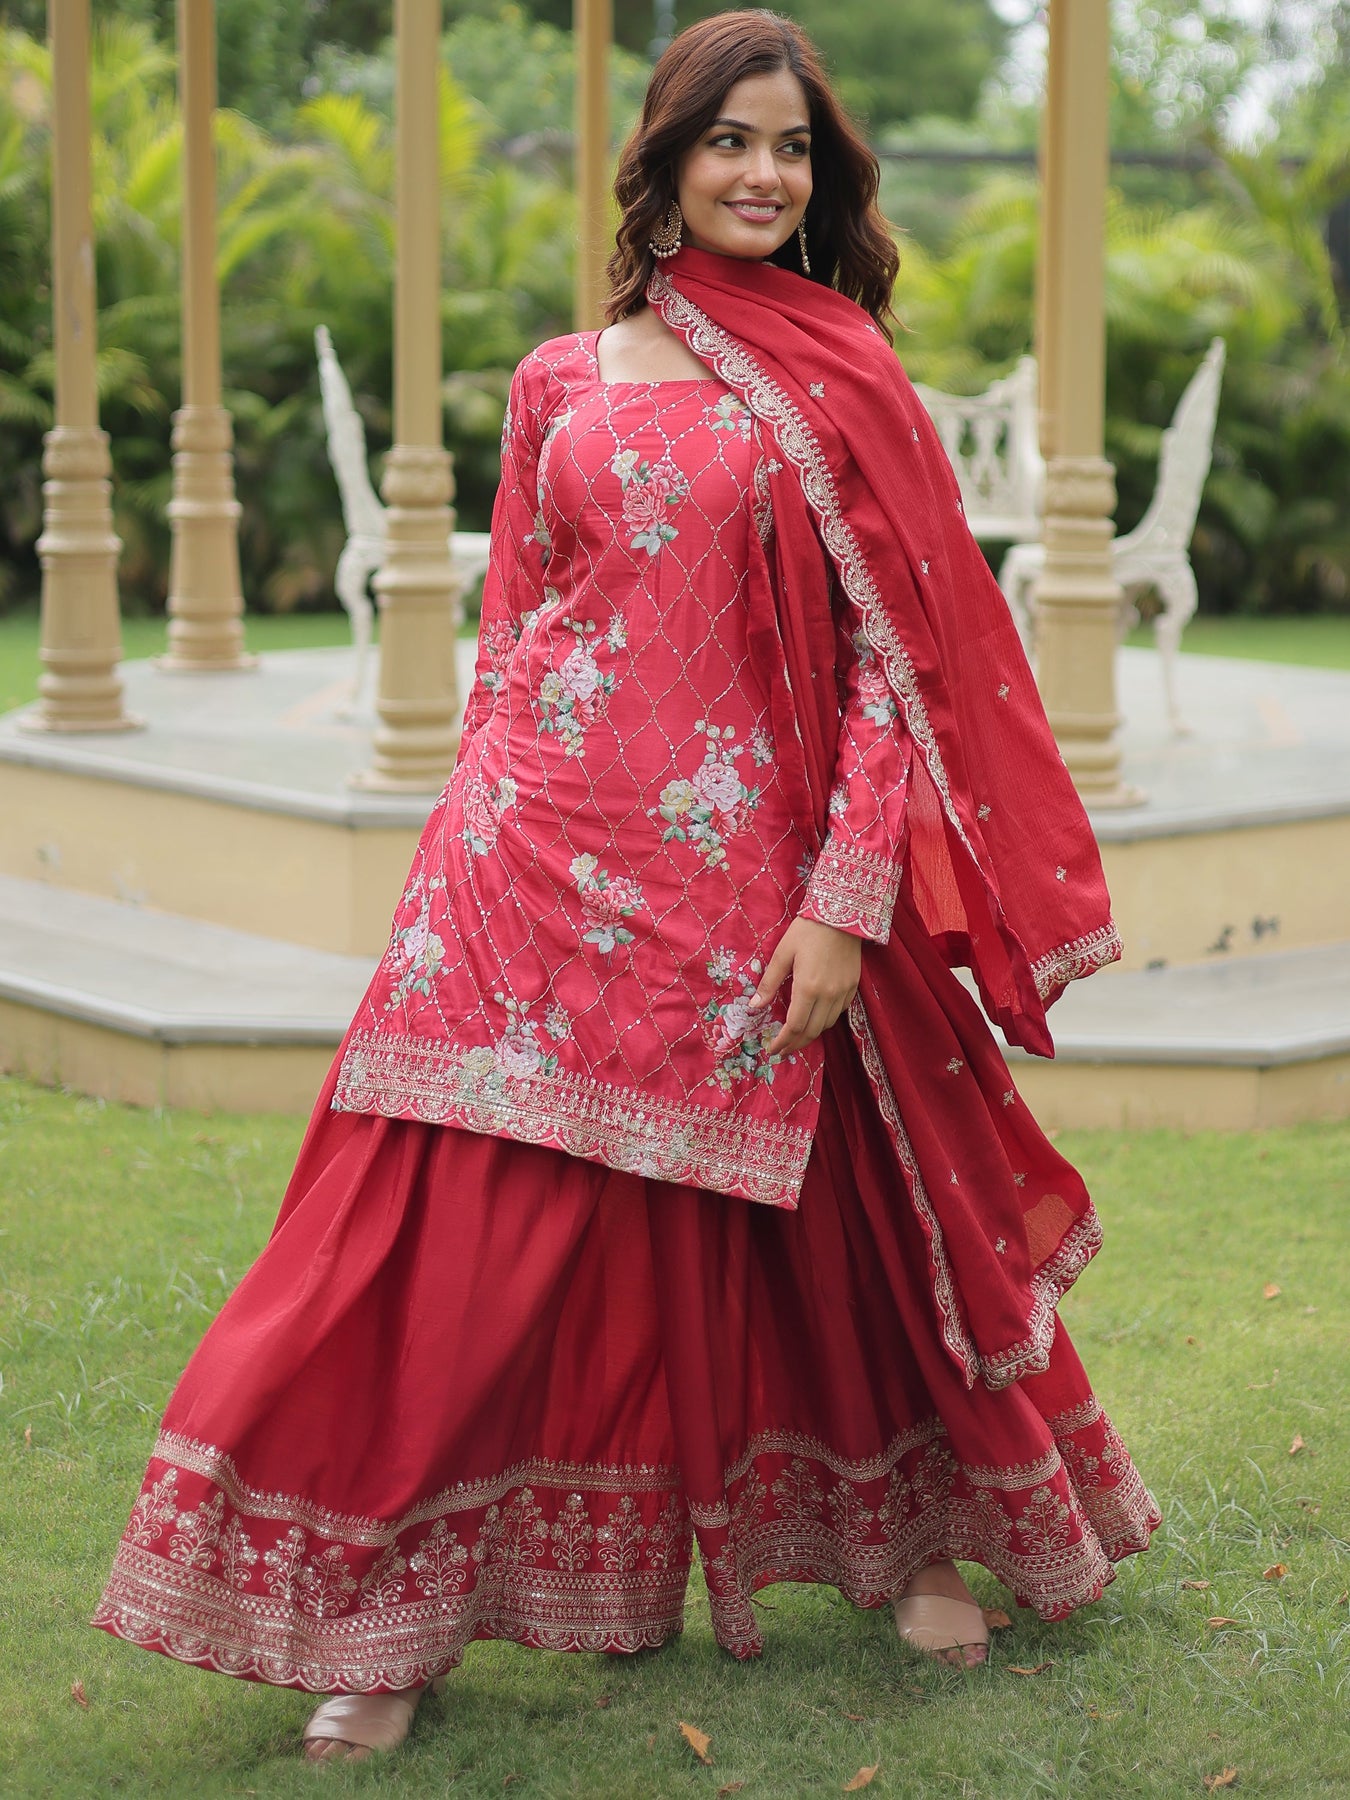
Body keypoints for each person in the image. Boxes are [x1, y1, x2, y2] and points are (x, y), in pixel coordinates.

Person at [94, 10, 1159, 1762]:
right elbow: (518, 624)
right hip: (524, 855)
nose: (762, 174)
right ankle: (388, 1620)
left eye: (790, 148)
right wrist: (464, 833)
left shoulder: (838, 377)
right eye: (729, 140)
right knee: (444, 1240)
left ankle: (909, 1539)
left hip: (750, 872)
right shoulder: (558, 379)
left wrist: (845, 895)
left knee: (839, 1219)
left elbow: (889, 668)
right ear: (662, 163)